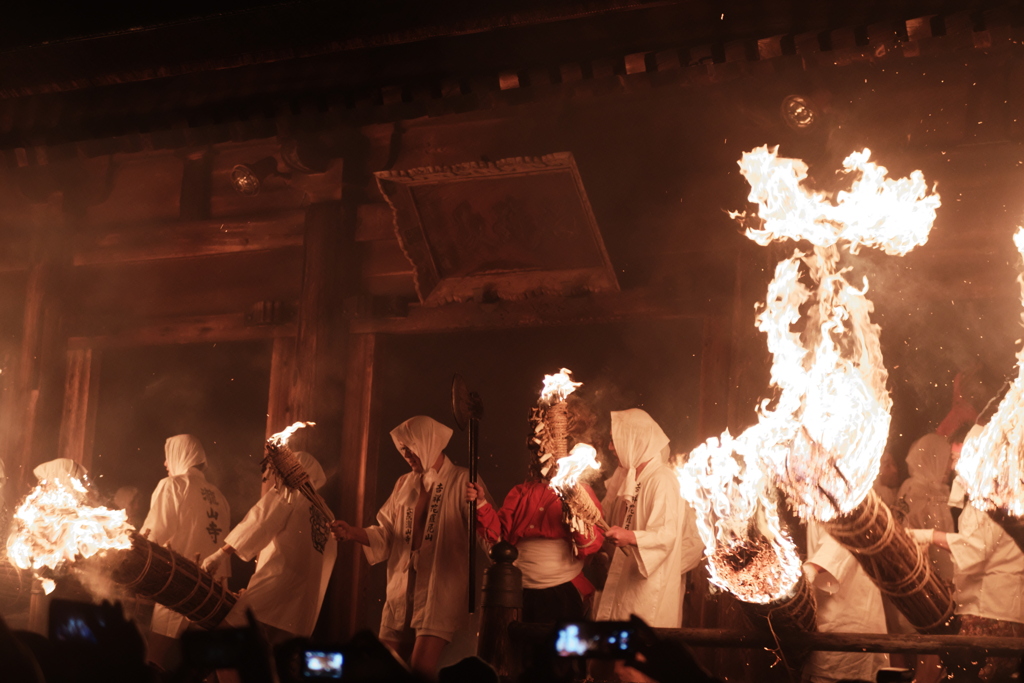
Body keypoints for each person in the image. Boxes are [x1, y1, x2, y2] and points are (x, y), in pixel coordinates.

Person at [331, 415, 480, 678]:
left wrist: (480, 507)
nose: (406, 453)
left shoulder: (462, 480)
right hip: (402, 586)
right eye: (402, 448)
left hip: (440, 587)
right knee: (384, 670)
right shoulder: (404, 483)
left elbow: (486, 529)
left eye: (411, 446)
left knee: (420, 669)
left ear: (430, 443)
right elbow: (387, 533)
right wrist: (352, 532)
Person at [592, 409, 702, 682]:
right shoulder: (637, 479)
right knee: (618, 666)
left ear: (635, 439)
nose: (610, 447)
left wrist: (630, 537)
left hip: (647, 593)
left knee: (637, 669)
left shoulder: (662, 479)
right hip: (627, 587)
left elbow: (667, 535)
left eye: (615, 440)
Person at [910, 426, 1024, 682]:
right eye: (952, 458)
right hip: (999, 612)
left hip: (992, 614)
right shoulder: (994, 494)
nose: (953, 466)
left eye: (958, 458)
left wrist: (927, 536)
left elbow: (975, 549)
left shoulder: (993, 496)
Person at [201, 450, 336, 642]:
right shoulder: (327, 514)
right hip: (304, 607)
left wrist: (221, 554)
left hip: (275, 586)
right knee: (271, 661)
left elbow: (260, 522)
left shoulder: (291, 490)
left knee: (222, 643)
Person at [466, 461, 604, 622]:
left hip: (564, 587)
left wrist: (576, 517)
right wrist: (480, 503)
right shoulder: (521, 492)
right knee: (518, 643)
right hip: (518, 588)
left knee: (558, 644)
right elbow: (499, 537)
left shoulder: (580, 493)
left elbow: (590, 545)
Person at [141, 435, 230, 664]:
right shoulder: (218, 495)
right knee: (208, 665)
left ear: (180, 456)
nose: (165, 464)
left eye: (167, 457)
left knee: (155, 658)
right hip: (215, 587)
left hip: (180, 580)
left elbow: (154, 533)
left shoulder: (172, 485)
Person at [802, 523, 889, 683]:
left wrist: (801, 577)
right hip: (827, 622)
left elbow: (839, 541)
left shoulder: (845, 504)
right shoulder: (814, 508)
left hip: (847, 624)